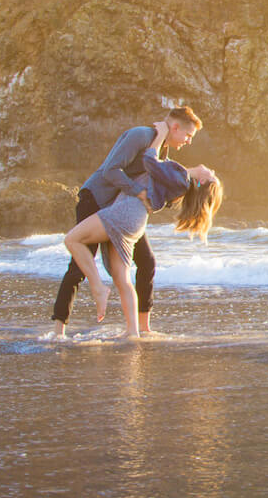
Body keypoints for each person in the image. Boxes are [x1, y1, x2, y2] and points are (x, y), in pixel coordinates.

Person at [51, 107, 201, 334]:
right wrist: (139, 192)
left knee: (147, 262)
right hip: (96, 199)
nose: (189, 142)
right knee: (78, 266)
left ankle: (143, 328)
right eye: (189, 136)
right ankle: (58, 329)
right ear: (176, 127)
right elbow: (110, 171)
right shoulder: (140, 135)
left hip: (120, 208)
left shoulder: (160, 152)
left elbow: (158, 192)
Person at [60, 156, 224, 336]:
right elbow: (161, 163)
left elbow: (150, 160)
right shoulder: (178, 177)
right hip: (135, 221)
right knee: (123, 279)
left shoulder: (180, 177)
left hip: (125, 214)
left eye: (212, 176)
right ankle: (132, 332)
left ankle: (98, 288)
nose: (212, 170)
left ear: (201, 181)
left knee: (72, 240)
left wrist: (161, 133)